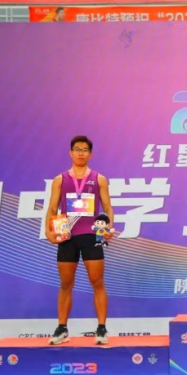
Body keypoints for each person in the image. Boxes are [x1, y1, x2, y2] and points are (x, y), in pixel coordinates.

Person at [44, 135, 114, 345]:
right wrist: (48, 232)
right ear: (70, 153)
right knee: (66, 283)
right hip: (67, 236)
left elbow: (107, 207)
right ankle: (62, 328)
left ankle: (101, 329)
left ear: (90, 154)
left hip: (92, 235)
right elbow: (52, 208)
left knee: (97, 282)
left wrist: (108, 228)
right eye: (77, 149)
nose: (80, 153)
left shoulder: (99, 179)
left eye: (84, 150)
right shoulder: (60, 180)